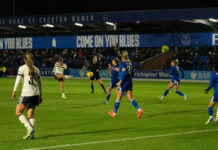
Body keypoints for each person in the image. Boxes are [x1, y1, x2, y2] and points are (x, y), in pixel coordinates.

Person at [12, 52, 42, 140]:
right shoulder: (37, 69)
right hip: (36, 94)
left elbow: (18, 80)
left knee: (18, 112)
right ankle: (31, 135)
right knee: (30, 114)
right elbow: (40, 84)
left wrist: (14, 91)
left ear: (25, 59)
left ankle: (29, 129)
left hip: (26, 94)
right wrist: (40, 95)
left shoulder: (22, 68)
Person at [108, 50, 143, 118]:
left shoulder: (123, 63)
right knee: (130, 98)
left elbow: (124, 72)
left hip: (124, 82)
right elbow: (131, 73)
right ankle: (139, 109)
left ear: (122, 56)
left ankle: (114, 113)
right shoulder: (130, 63)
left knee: (118, 98)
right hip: (130, 81)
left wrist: (120, 81)